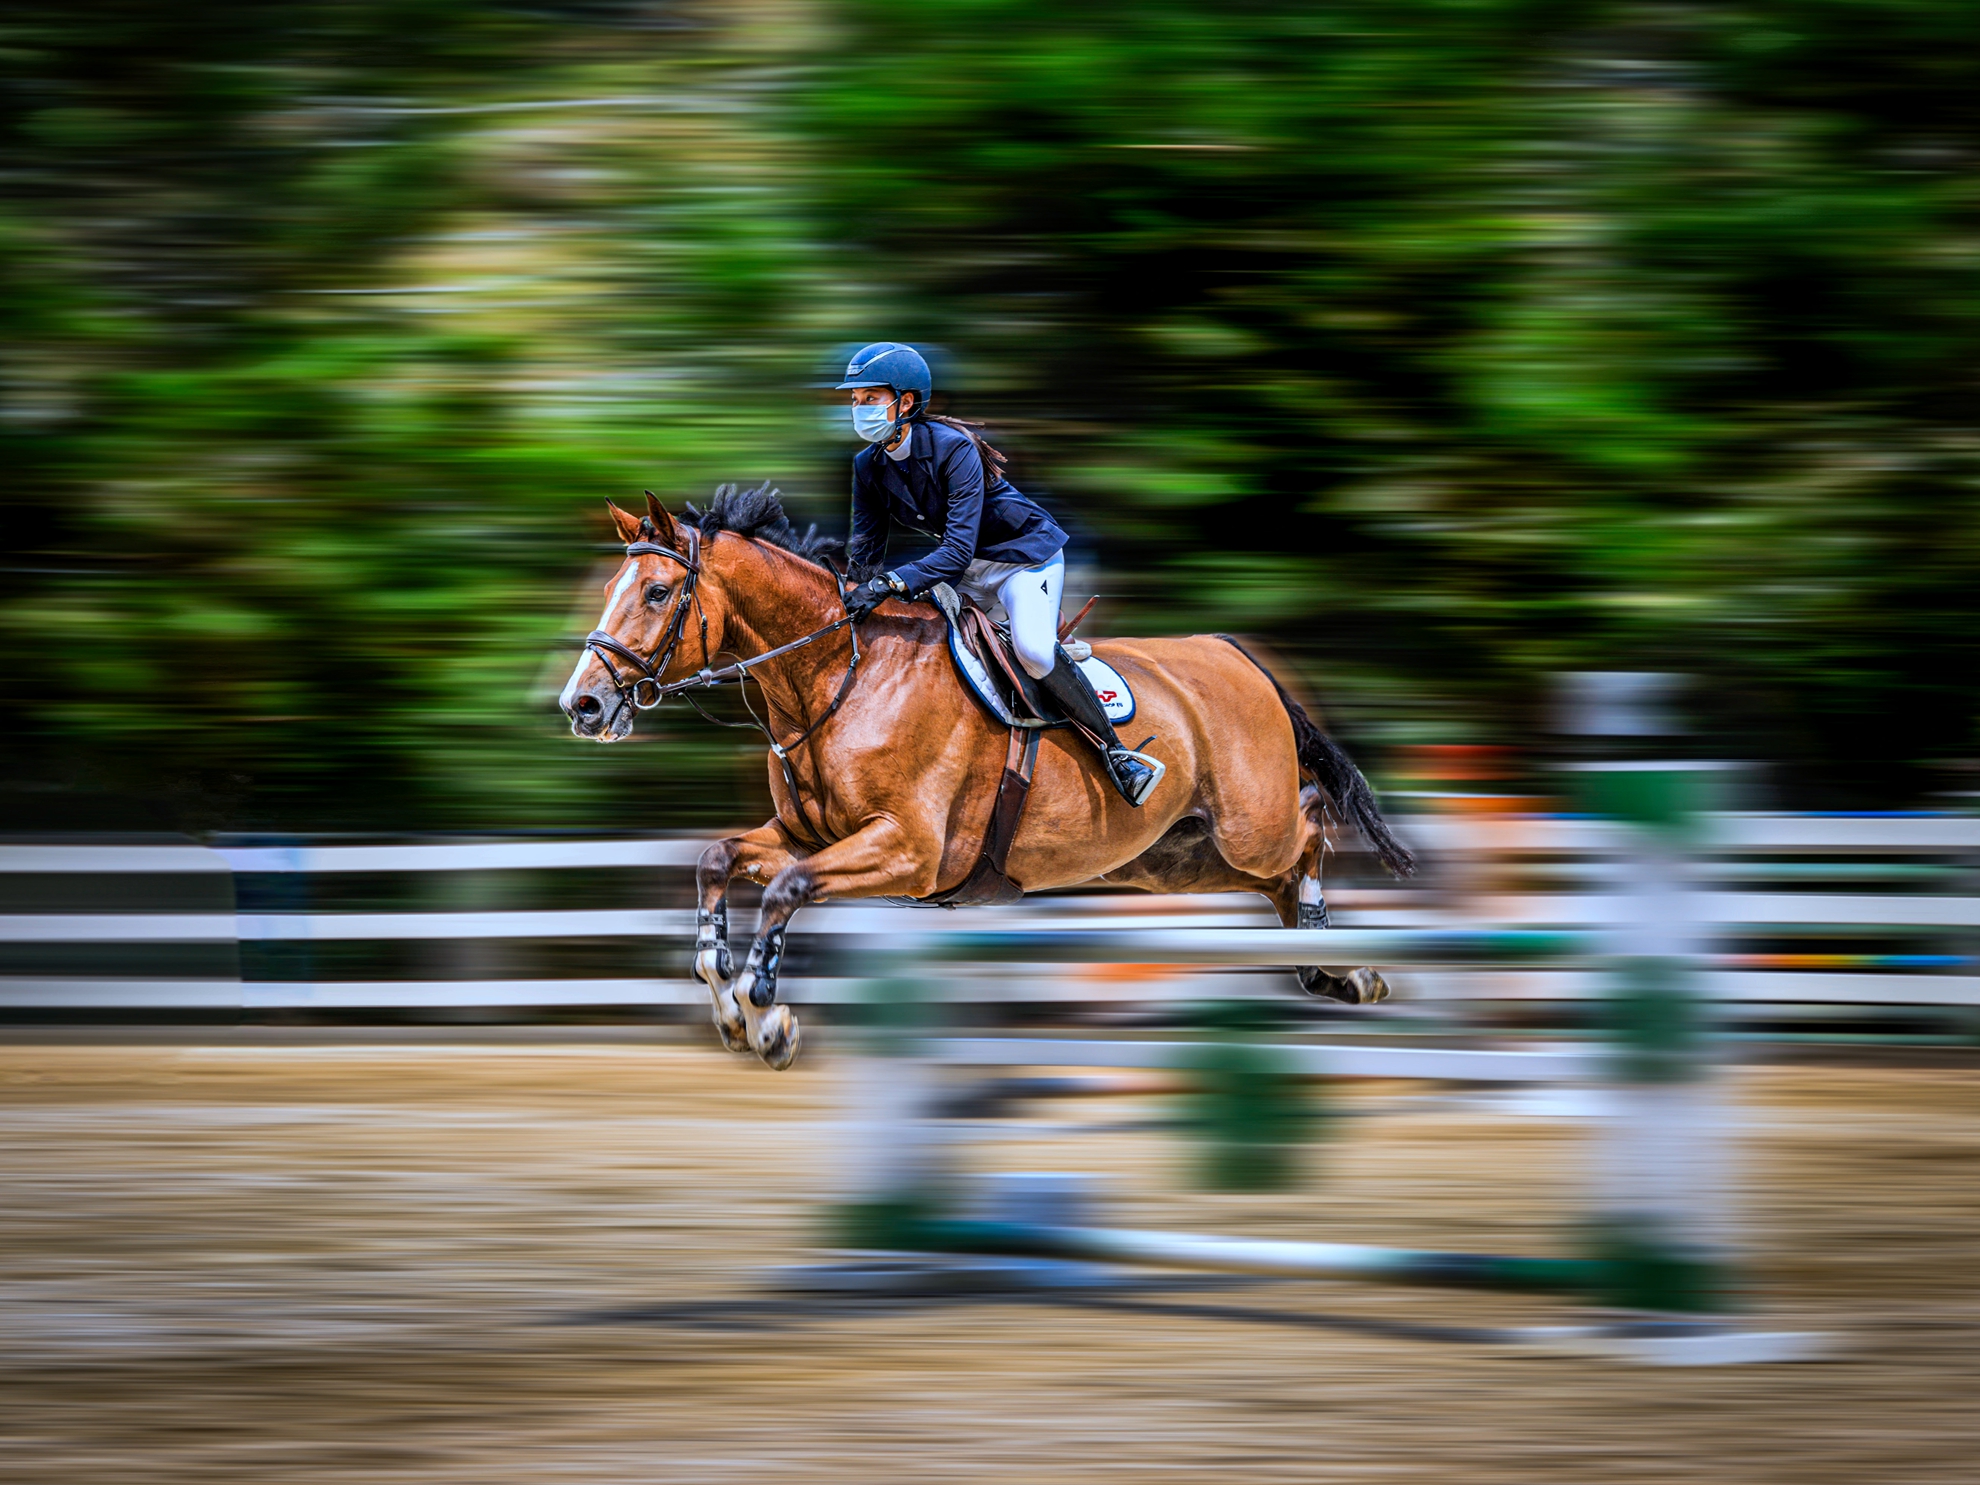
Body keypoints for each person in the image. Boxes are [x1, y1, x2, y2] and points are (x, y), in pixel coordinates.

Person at [836, 341, 1161, 807]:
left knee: (1031, 652)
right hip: (966, 572)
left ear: (905, 402)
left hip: (1022, 559)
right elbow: (865, 553)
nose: (858, 409)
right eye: (854, 400)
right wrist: (853, 594)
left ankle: (1117, 754)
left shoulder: (953, 448)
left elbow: (952, 552)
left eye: (869, 398)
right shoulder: (867, 466)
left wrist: (889, 583)